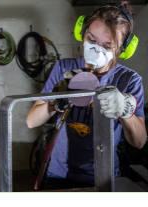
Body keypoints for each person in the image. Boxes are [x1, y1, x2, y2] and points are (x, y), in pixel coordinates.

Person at [26, 1, 147, 190]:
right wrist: (54, 103)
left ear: (123, 48)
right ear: (81, 34)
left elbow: (139, 142)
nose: (97, 49)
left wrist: (125, 110)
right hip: (59, 174)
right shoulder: (63, 69)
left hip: (103, 175)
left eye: (108, 45)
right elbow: (31, 121)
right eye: (91, 39)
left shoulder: (128, 80)